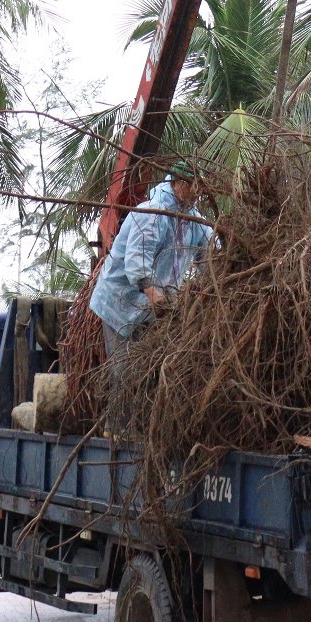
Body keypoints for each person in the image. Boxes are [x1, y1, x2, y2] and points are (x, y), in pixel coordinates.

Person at [87, 161, 212, 425]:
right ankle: (118, 430)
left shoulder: (194, 221)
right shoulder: (152, 213)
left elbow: (211, 253)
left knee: (155, 367)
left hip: (153, 305)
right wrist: (154, 294)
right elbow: (137, 263)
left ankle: (148, 426)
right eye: (194, 187)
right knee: (125, 369)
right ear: (178, 185)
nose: (197, 193)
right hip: (120, 302)